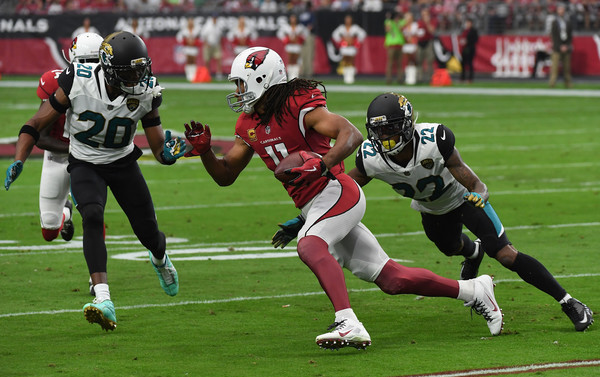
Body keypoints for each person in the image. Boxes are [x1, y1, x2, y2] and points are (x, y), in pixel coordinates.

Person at [183, 47, 503, 350]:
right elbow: (225, 176)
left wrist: (322, 163)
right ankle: (474, 291)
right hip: (314, 205)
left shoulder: (298, 105)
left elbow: (351, 134)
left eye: (241, 83)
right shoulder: (248, 124)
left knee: (309, 244)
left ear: (261, 80)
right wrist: (205, 152)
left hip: (335, 190)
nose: (238, 91)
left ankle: (347, 322)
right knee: (390, 278)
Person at [273, 92, 593, 333]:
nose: (384, 139)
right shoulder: (371, 157)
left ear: (409, 125)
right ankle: (473, 251)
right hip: (431, 210)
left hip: (463, 200)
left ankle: (569, 302)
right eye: (379, 132)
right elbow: (344, 189)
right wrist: (305, 219)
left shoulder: (433, 139)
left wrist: (480, 193)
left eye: (392, 130)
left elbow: (466, 173)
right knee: (451, 248)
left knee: (506, 254)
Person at [4, 31, 187, 332]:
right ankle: (104, 299)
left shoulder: (147, 90)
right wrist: (19, 159)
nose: (139, 76)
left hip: (123, 162)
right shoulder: (78, 79)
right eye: (131, 71)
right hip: (85, 162)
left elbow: (157, 149)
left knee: (148, 232)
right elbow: (36, 123)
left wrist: (171, 154)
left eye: (141, 68)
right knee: (91, 215)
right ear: (110, 69)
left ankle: (160, 258)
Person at [33, 32, 104, 247]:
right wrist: (77, 148)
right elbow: (41, 137)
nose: (90, 68)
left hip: (90, 160)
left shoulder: (111, 86)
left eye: (94, 62)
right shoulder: (56, 83)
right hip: (59, 155)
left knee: (93, 214)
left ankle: (99, 278)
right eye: (85, 62)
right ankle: (65, 213)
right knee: (49, 230)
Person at [331, 14, 366, 84]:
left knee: (351, 61)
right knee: (345, 61)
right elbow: (334, 34)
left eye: (349, 19)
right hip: (344, 47)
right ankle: (345, 76)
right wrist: (341, 40)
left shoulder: (355, 28)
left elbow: (363, 34)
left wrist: (356, 41)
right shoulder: (341, 28)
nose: (348, 21)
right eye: (347, 19)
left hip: (352, 47)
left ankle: (351, 76)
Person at [549, 3, 573, 88]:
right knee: (554, 67)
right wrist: (559, 46)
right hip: (557, 47)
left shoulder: (568, 22)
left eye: (562, 9)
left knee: (567, 68)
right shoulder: (554, 22)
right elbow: (554, 36)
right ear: (557, 10)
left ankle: (568, 83)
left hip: (566, 47)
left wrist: (566, 45)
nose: (561, 11)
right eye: (559, 9)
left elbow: (570, 36)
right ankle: (552, 83)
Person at [277, 14, 307, 80]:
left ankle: (295, 76)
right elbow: (280, 34)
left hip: (296, 46)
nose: (293, 20)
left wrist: (299, 39)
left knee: (296, 61)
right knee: (290, 60)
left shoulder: (300, 27)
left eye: (294, 18)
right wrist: (286, 39)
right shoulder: (286, 27)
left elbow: (305, 35)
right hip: (289, 46)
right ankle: (290, 76)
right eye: (291, 18)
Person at [176, 18, 202, 82]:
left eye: (191, 22)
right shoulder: (184, 30)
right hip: (187, 47)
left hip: (194, 47)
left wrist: (194, 41)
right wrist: (186, 41)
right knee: (188, 61)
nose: (190, 23)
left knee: (193, 61)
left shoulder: (197, 29)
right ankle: (188, 75)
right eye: (189, 22)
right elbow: (178, 37)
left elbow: (201, 38)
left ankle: (193, 75)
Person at [416, 8, 437, 84]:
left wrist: (427, 23)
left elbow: (432, 31)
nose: (424, 16)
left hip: (428, 42)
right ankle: (419, 78)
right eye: (423, 14)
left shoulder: (432, 21)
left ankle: (430, 78)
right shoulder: (419, 22)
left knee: (429, 62)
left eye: (425, 14)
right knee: (419, 61)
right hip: (420, 43)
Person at [200, 13, 224, 80]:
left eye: (216, 18)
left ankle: (219, 74)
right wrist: (206, 43)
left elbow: (220, 36)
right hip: (208, 45)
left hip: (216, 45)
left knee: (219, 59)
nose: (215, 19)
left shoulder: (218, 26)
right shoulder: (207, 26)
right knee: (207, 61)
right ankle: (207, 74)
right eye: (214, 18)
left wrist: (220, 44)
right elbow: (203, 36)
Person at [384, 11, 405, 85]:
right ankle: (388, 79)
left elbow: (404, 22)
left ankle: (400, 79)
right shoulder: (389, 22)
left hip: (399, 44)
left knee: (399, 63)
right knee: (390, 63)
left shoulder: (400, 22)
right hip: (391, 45)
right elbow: (387, 29)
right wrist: (390, 19)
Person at [298, 0, 316, 79]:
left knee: (306, 54)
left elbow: (311, 25)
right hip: (304, 34)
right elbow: (311, 25)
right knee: (305, 54)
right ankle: (305, 72)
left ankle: (307, 72)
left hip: (305, 34)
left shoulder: (304, 14)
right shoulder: (309, 14)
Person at [459, 18, 478, 83]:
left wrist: (467, 41)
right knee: (463, 63)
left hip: (470, 48)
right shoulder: (464, 30)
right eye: (467, 23)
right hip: (464, 48)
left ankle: (470, 78)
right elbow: (461, 37)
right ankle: (462, 78)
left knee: (470, 63)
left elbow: (475, 40)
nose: (467, 24)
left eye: (468, 23)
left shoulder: (473, 31)